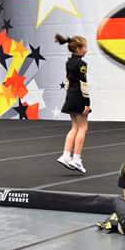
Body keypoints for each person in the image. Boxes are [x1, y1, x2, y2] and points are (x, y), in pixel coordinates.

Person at [54, 34, 91, 174]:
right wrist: (87, 103)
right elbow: (83, 83)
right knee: (83, 128)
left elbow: (68, 81)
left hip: (70, 95)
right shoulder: (81, 64)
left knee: (74, 127)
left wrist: (69, 95)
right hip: (79, 97)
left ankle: (66, 155)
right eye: (84, 47)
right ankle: (76, 158)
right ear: (78, 49)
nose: (86, 50)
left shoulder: (69, 62)